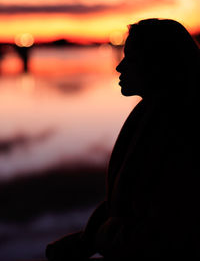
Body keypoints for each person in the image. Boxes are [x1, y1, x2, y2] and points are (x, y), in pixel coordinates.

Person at [45, 18, 200, 259]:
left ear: (158, 64)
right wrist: (86, 241)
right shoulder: (151, 112)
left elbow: (167, 230)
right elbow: (125, 200)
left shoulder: (181, 129)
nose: (120, 67)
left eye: (131, 58)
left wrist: (99, 239)